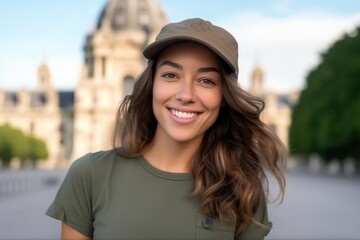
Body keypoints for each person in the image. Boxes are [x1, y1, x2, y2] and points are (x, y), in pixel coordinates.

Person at [46, 18, 286, 240]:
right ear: (151, 84)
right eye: (171, 75)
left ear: (224, 95)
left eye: (206, 81)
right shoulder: (88, 175)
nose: (185, 95)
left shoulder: (242, 188)